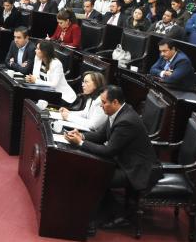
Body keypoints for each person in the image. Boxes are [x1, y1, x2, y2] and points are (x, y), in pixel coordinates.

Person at [64, 86, 162, 230]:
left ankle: (108, 216)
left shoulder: (126, 121)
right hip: (122, 160)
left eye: (104, 102)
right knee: (90, 167)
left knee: (98, 177)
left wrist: (80, 143)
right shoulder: (117, 112)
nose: (101, 105)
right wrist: (81, 135)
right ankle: (95, 210)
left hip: (135, 169)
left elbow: (108, 151)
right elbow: (100, 135)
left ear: (115, 102)